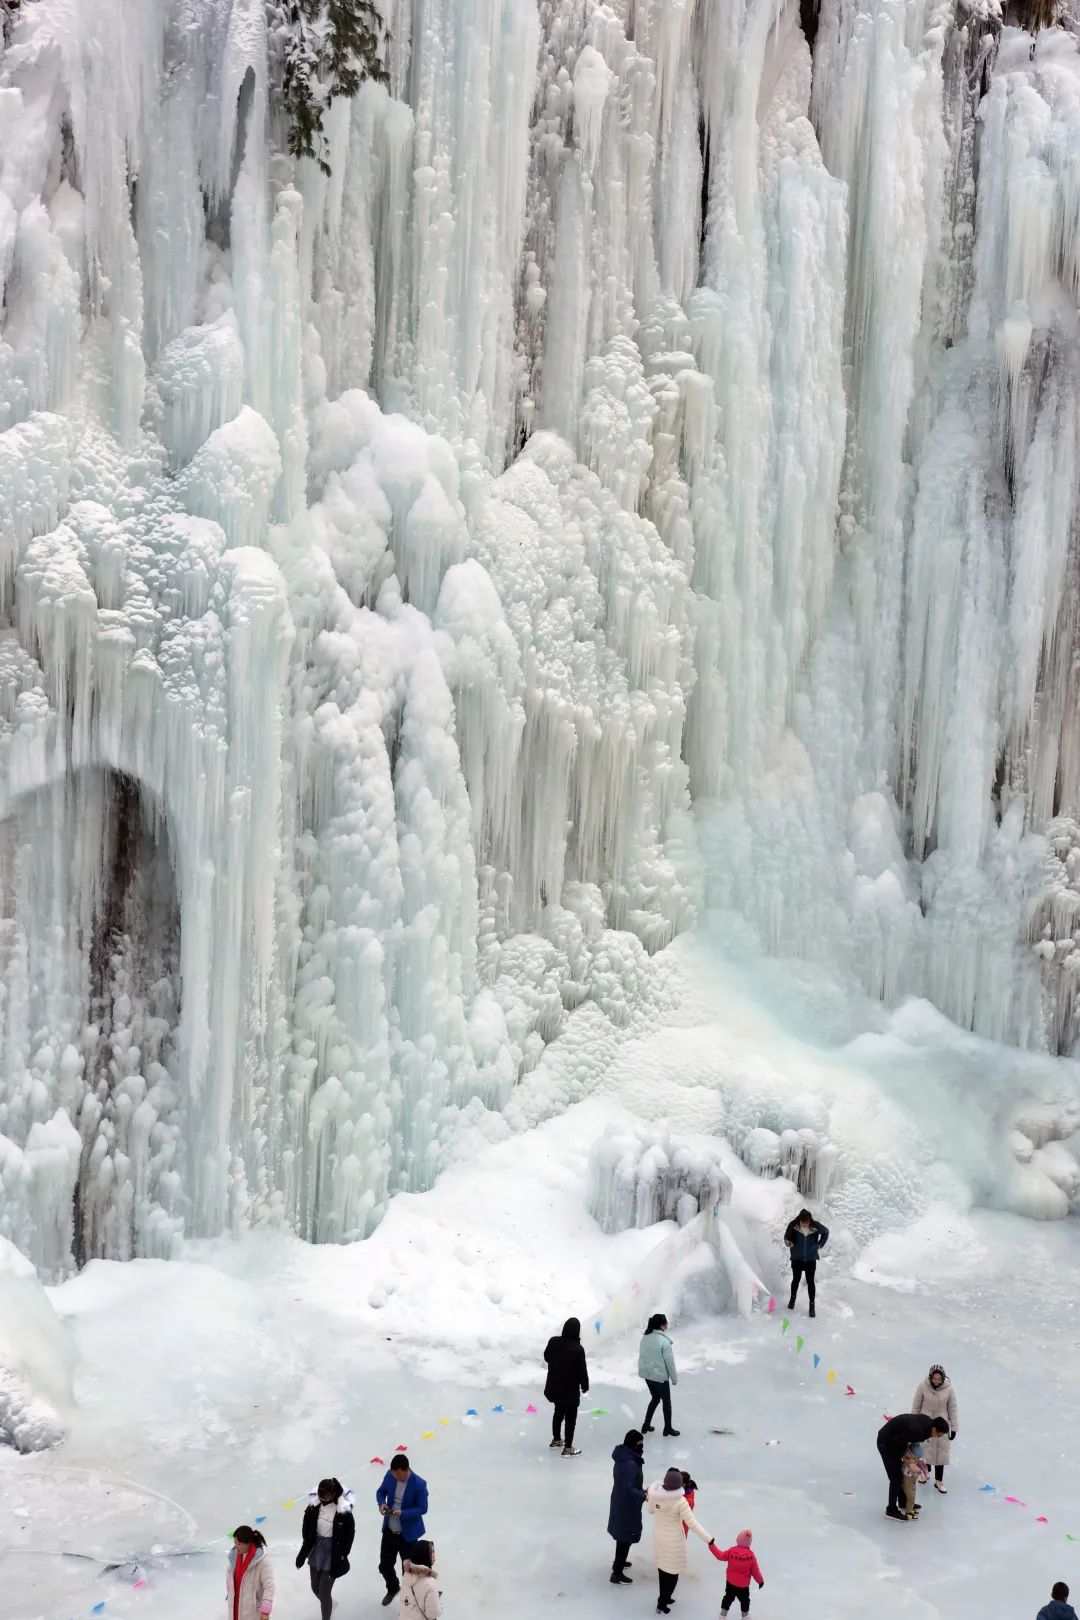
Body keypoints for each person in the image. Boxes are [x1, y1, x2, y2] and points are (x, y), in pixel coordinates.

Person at [646, 1465, 716, 1614]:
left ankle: (664, 1597)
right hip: (674, 1542)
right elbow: (692, 1523)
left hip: (659, 1538)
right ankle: (662, 1604)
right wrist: (708, 1539)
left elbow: (650, 1510)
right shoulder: (680, 1501)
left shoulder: (656, 1496)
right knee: (672, 1573)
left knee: (662, 1570)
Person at [296, 1478, 355, 1620]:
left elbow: (350, 1533)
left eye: (326, 1496)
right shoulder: (314, 1507)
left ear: (333, 1494)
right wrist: (304, 1551)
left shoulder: (342, 1510)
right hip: (316, 1548)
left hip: (333, 1551)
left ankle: (326, 1615)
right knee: (315, 1588)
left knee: (323, 1591)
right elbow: (306, 1525)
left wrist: (343, 1553)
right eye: (320, 1496)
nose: (322, 1499)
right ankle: (329, 1604)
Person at [376, 1455, 429, 1606]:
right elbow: (380, 1492)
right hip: (390, 1531)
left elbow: (423, 1508)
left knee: (408, 1572)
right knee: (384, 1566)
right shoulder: (390, 1475)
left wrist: (403, 1513)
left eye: (398, 1474)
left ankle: (410, 1601)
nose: (396, 1477)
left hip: (408, 1536)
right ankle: (393, 1588)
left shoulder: (419, 1484)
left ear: (406, 1470)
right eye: (394, 1474)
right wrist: (382, 1504)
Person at [877, 1414, 949, 1519]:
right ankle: (891, 1510)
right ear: (934, 1429)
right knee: (895, 1477)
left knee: (900, 1474)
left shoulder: (928, 1425)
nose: (939, 1437)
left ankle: (903, 1503)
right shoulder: (918, 1431)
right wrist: (907, 1460)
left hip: (895, 1440)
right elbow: (897, 1442)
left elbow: (908, 1442)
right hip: (886, 1443)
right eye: (940, 1434)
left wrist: (914, 1460)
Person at [543, 1316, 590, 1456]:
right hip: (570, 1390)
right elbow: (582, 1370)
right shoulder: (577, 1348)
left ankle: (556, 1440)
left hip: (555, 1387)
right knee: (570, 1419)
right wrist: (585, 1385)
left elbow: (546, 1357)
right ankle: (568, 1448)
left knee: (558, 1413)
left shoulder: (553, 1341)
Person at [607, 1429, 646, 1584]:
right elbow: (629, 1488)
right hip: (627, 1505)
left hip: (622, 1502)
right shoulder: (629, 1463)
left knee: (624, 1535)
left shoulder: (625, 1458)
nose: (641, 1446)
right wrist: (643, 1496)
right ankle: (617, 1572)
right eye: (639, 1443)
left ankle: (619, 1562)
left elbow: (629, 1485)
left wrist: (641, 1490)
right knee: (626, 1536)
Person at [912, 1363, 958, 1492]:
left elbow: (952, 1409)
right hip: (925, 1421)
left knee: (941, 1453)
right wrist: (913, 1423)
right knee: (925, 1450)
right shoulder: (923, 1386)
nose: (936, 1381)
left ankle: (939, 1481)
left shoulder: (949, 1389)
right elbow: (916, 1405)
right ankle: (925, 1474)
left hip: (941, 1424)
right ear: (931, 1377)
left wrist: (953, 1428)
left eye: (939, 1379)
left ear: (943, 1378)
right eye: (934, 1378)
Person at [783, 1208, 829, 1317]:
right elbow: (786, 1237)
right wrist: (788, 1243)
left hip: (810, 1259)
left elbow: (826, 1232)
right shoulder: (793, 1225)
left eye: (806, 1223)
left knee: (810, 1282)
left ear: (809, 1220)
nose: (804, 1225)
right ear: (800, 1220)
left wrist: (819, 1244)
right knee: (796, 1280)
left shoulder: (815, 1226)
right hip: (797, 1258)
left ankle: (812, 1306)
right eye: (802, 1223)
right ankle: (792, 1299)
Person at [638, 1315, 679, 1437]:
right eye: (666, 1322)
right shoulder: (664, 1342)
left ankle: (646, 1424)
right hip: (660, 1377)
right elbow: (670, 1364)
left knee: (655, 1398)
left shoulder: (645, 1338)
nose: (667, 1324)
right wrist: (674, 1378)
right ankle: (668, 1428)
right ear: (661, 1325)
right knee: (666, 1402)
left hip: (648, 1375)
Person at [710, 1529, 765, 1616]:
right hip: (743, 1586)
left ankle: (723, 1615)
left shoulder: (731, 1551)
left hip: (731, 1583)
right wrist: (760, 1581)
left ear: (738, 1539)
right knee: (745, 1601)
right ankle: (745, 1616)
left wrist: (711, 1545)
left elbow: (719, 1555)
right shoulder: (751, 1556)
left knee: (728, 1598)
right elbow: (755, 1571)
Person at [226, 1526, 274, 1620]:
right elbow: (229, 1575)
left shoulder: (262, 1560)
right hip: (234, 1608)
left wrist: (265, 1611)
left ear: (248, 1543)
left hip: (251, 1612)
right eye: (235, 1543)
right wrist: (230, 1591)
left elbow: (269, 1586)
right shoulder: (234, 1557)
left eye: (239, 1544)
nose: (236, 1546)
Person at [399, 1540, 442, 1619]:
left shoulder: (407, 1574)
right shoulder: (430, 1584)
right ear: (424, 1556)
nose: (434, 1556)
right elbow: (433, 1613)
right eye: (431, 1552)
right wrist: (439, 1604)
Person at [900, 1446, 929, 1519]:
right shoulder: (910, 1459)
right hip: (908, 1479)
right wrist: (921, 1472)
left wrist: (923, 1468)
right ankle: (909, 1512)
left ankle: (911, 1508)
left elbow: (919, 1463)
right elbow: (913, 1467)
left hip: (912, 1478)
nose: (917, 1459)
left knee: (912, 1493)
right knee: (911, 1495)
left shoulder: (913, 1457)